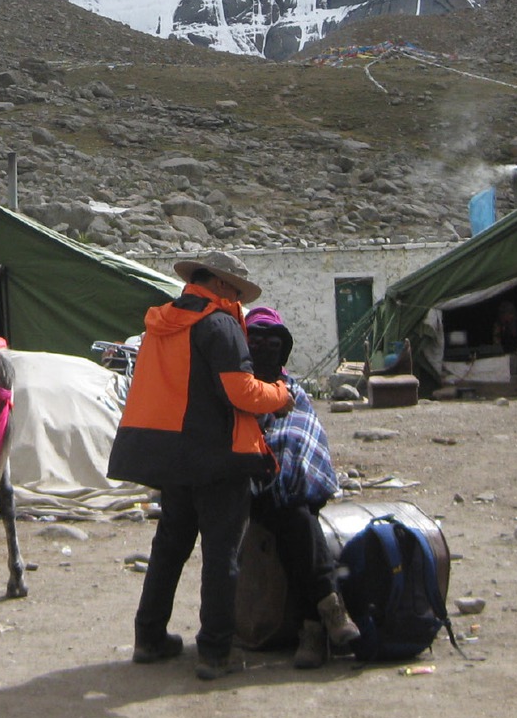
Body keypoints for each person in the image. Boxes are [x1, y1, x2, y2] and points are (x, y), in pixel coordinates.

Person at [107, 250, 290, 681]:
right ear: (223, 287)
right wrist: (281, 395)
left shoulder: (159, 324)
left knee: (169, 548)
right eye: (236, 292)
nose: (239, 302)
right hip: (217, 457)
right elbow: (241, 392)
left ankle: (149, 638)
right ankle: (214, 652)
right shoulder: (220, 323)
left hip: (170, 456)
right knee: (221, 553)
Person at [242, 307, 359, 669]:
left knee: (293, 511)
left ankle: (315, 626)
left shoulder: (293, 391)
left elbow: (303, 441)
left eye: (273, 342)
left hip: (299, 487)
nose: (265, 348)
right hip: (251, 490)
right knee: (294, 516)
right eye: (255, 341)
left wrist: (284, 472)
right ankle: (327, 610)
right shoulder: (237, 393)